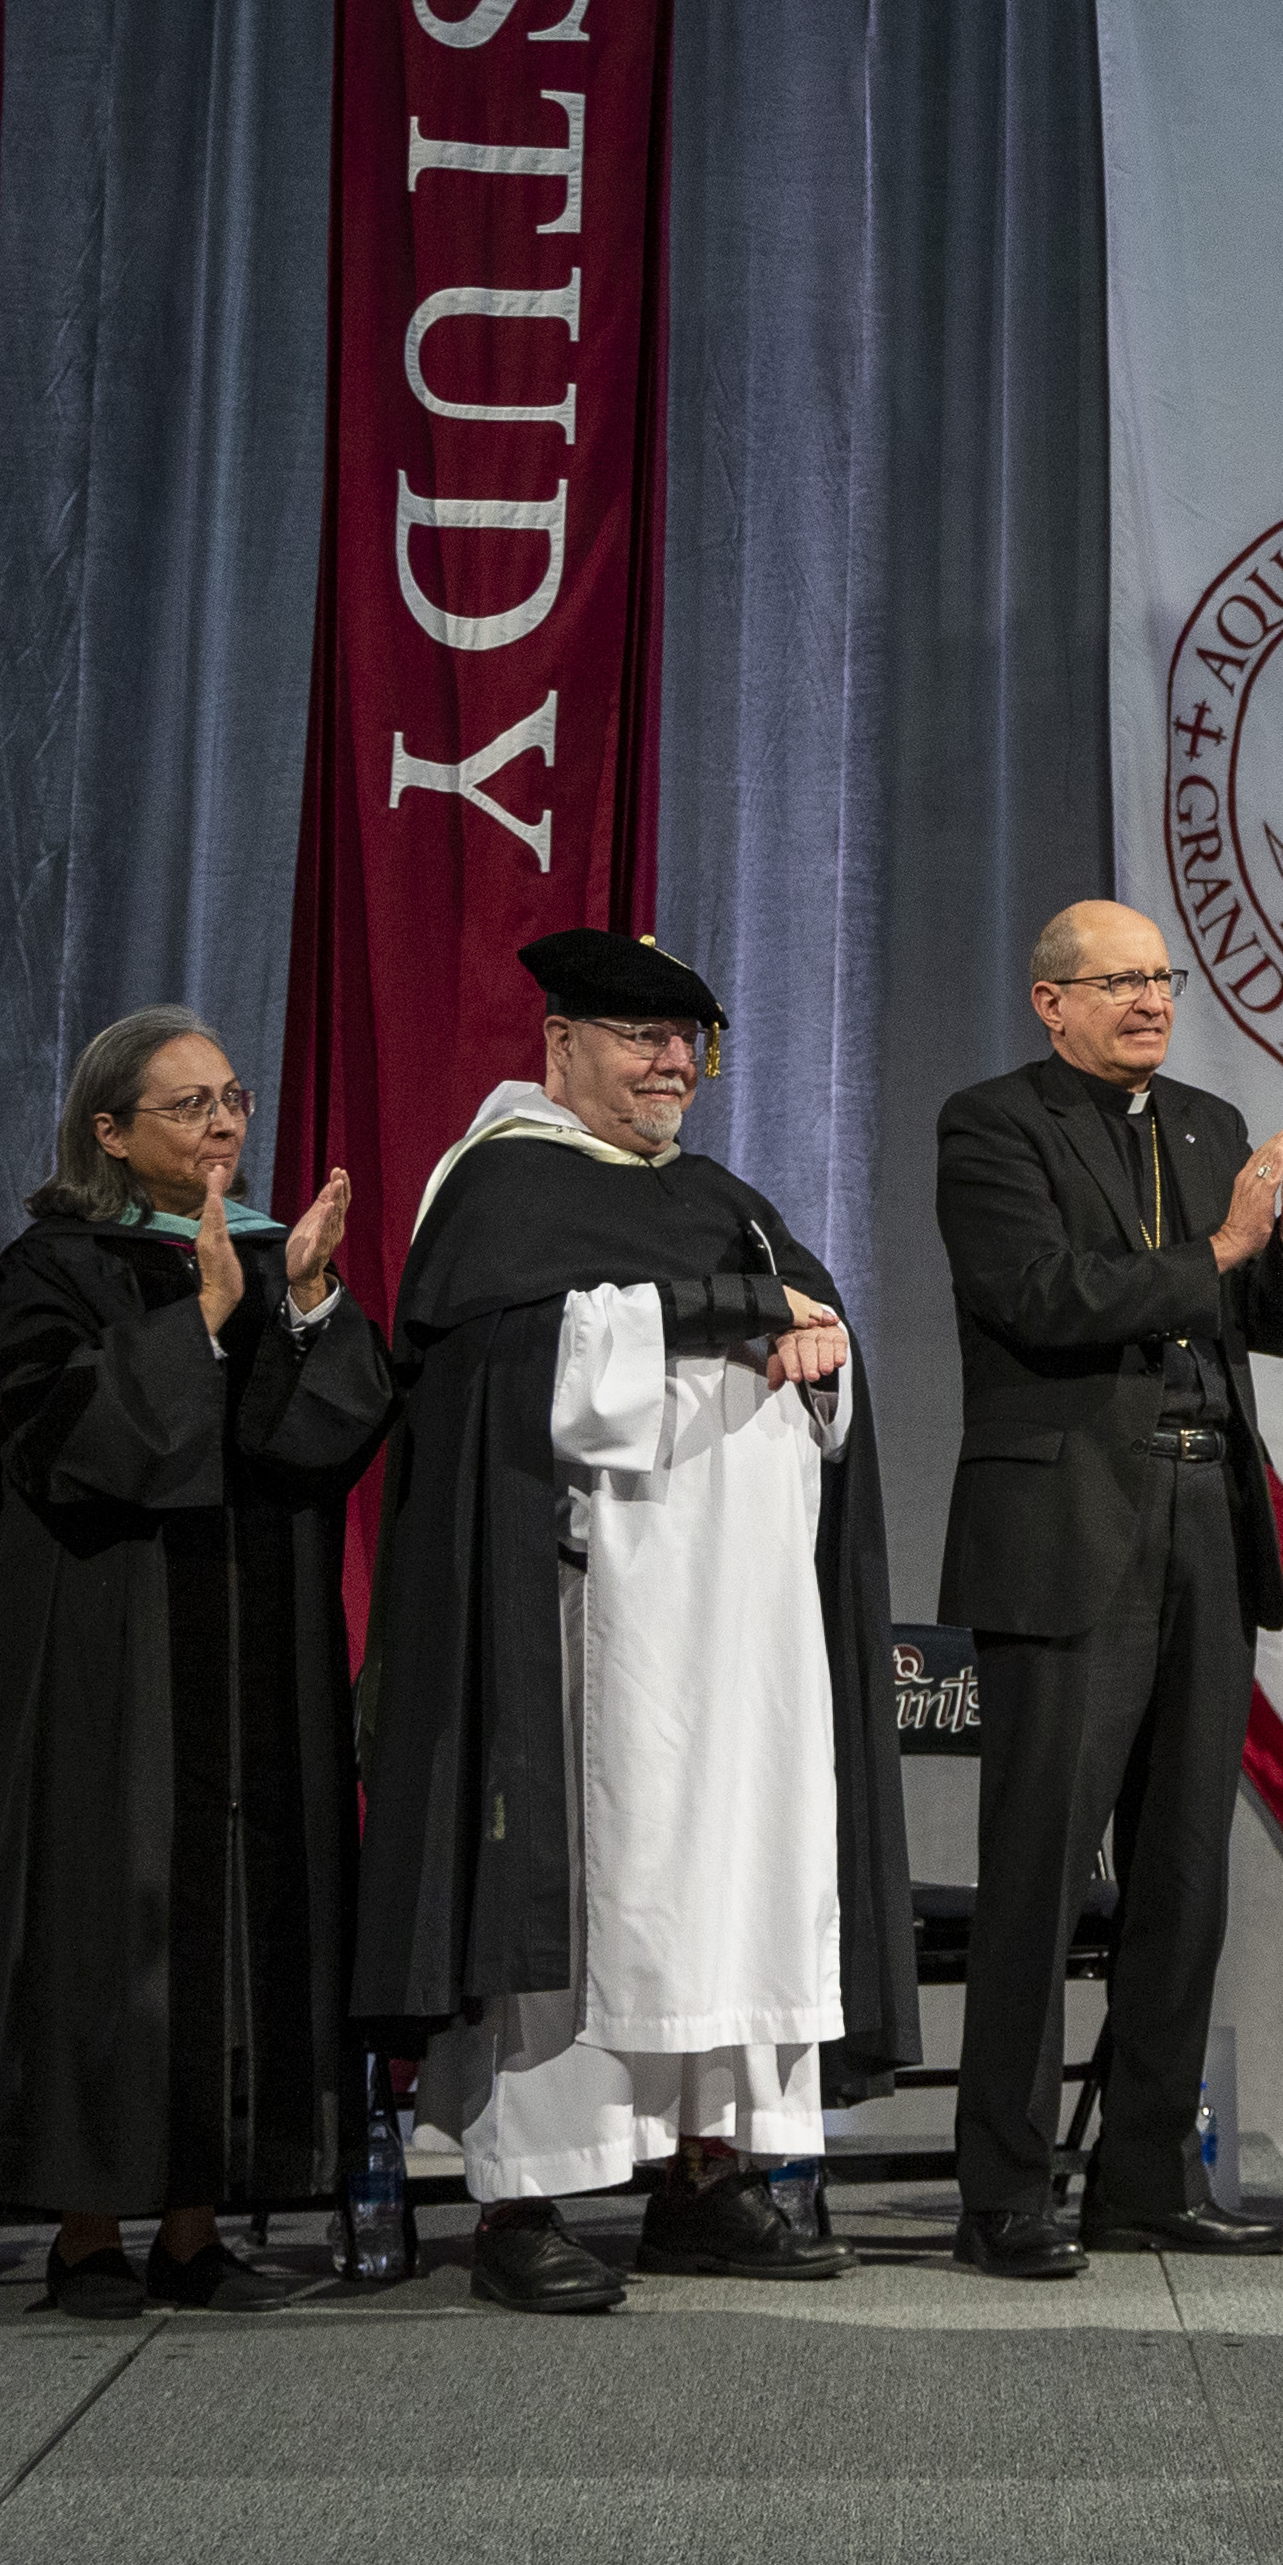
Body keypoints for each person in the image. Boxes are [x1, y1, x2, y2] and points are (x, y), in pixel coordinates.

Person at [353, 931, 919, 2315]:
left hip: (743, 1636)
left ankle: (703, 2175)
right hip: (588, 1625)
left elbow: (814, 1328)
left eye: (690, 1042)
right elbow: (510, 1370)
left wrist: (815, 1347)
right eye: (639, 1036)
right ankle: (525, 2195)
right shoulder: (501, 1186)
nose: (671, 1062)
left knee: (733, 1873)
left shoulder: (722, 1193)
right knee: (590, 1891)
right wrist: (729, 1311)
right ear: (559, 1044)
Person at [933, 901, 1283, 2282]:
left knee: (1179, 1876)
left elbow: (1271, 1329)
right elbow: (1040, 1292)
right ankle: (1001, 2188)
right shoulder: (989, 1125)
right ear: (1050, 1002)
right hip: (1066, 1529)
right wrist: (1225, 1250)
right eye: (1117, 980)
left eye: (1160, 976)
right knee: (1039, 1879)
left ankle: (1146, 2177)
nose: (1149, 999)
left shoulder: (1210, 1124)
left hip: (1203, 1519)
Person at [0, 1007, 394, 2319]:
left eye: (233, 1097)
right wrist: (200, 1323)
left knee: (244, 1911)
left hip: (260, 1635)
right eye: (188, 1104)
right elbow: (56, 1445)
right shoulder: (50, 1265)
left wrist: (309, 1300)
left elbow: (316, 1444)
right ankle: (88, 2231)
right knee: (119, 1913)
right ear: (109, 1129)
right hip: (115, 1651)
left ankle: (200, 2226)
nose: (223, 1123)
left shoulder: (270, 1252)